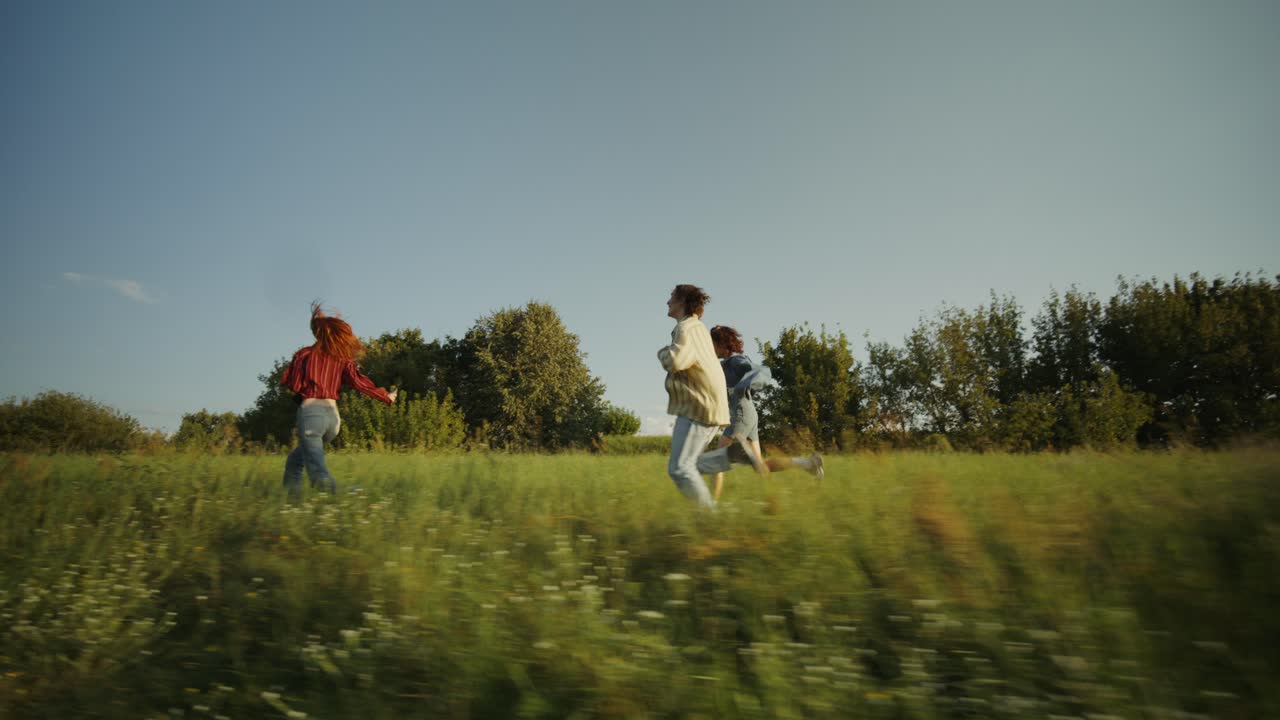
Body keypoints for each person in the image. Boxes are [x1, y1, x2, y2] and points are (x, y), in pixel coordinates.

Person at [280, 302, 397, 497]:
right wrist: (386, 396)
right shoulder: (342, 359)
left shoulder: (304, 355)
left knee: (318, 473)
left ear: (317, 334)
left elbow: (293, 384)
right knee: (295, 461)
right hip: (333, 420)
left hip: (312, 416)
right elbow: (360, 383)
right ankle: (291, 502)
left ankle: (350, 496)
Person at [706, 325, 825, 501]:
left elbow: (761, 371)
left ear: (722, 344)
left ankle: (710, 507)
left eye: (712, 344)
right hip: (749, 413)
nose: (710, 348)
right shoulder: (725, 365)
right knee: (761, 467)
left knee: (717, 459)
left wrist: (744, 386)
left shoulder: (736, 361)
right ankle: (807, 463)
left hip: (742, 412)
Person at [657, 284, 730, 508]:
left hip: (698, 405)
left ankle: (710, 520)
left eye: (671, 298)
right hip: (713, 405)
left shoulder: (686, 328)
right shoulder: (698, 328)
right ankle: (732, 457)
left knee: (680, 468)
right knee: (692, 463)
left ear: (682, 302)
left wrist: (661, 353)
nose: (667, 302)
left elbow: (677, 361)